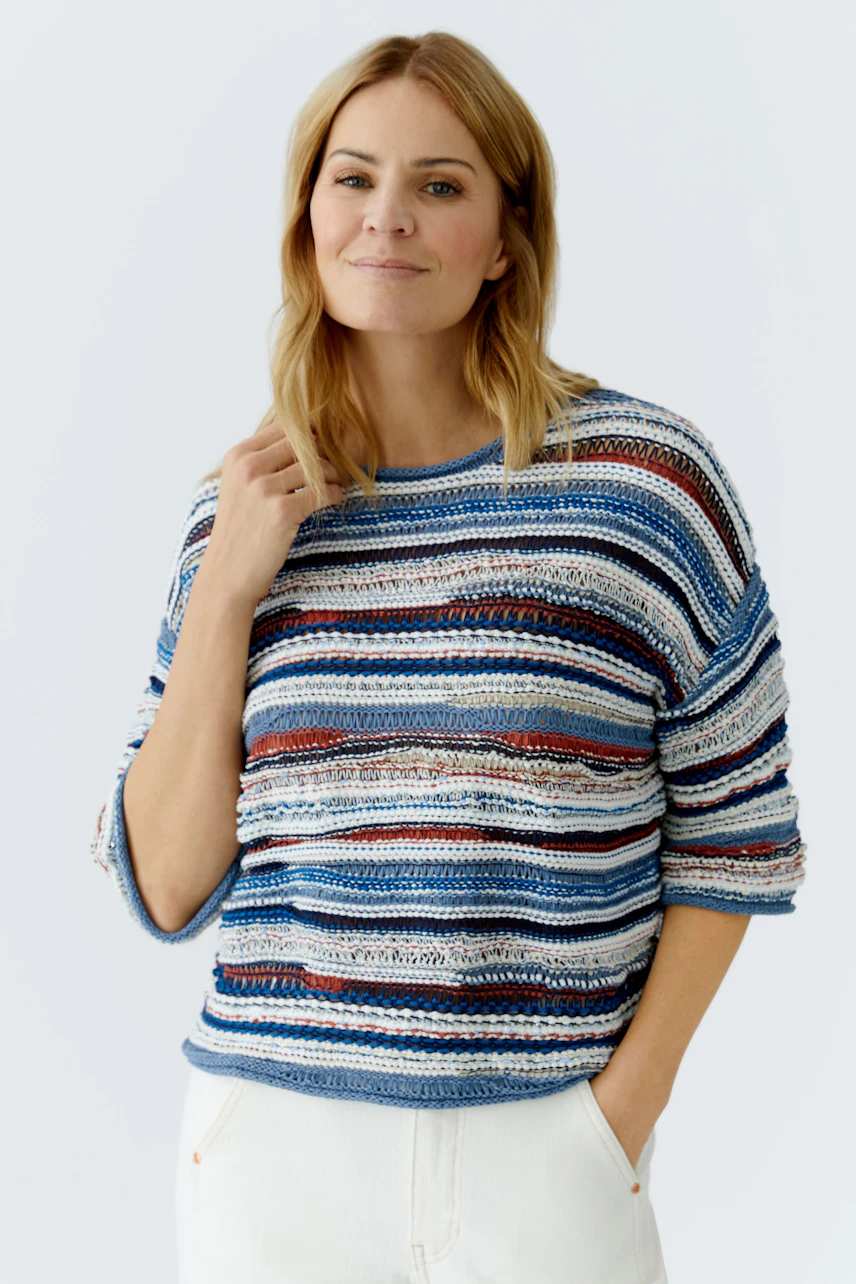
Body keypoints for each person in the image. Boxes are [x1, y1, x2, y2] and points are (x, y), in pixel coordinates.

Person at [90, 30, 807, 1284]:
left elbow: (739, 829)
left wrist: (616, 1117)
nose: (387, 220)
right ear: (307, 216)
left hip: (548, 1149)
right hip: (276, 1156)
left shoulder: (640, 488)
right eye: (352, 178)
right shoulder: (240, 509)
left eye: (439, 184)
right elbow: (164, 887)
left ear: (506, 237)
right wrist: (223, 599)